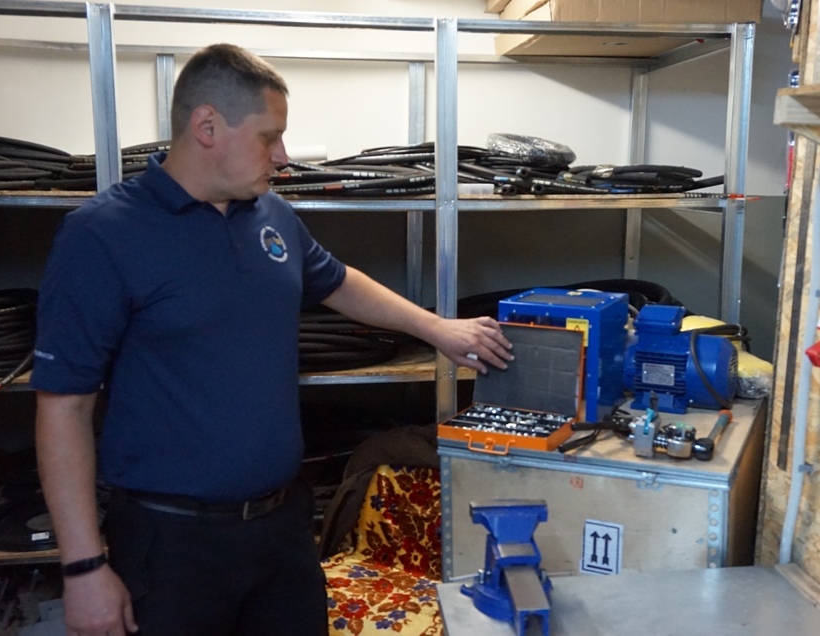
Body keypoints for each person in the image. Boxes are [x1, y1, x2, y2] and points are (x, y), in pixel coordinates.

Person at [31, 42, 513, 636]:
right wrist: (83, 568)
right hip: (171, 544)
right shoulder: (101, 235)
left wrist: (434, 327)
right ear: (207, 125)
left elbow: (337, 281)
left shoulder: (272, 216)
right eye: (270, 137)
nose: (283, 156)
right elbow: (63, 407)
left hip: (281, 529)